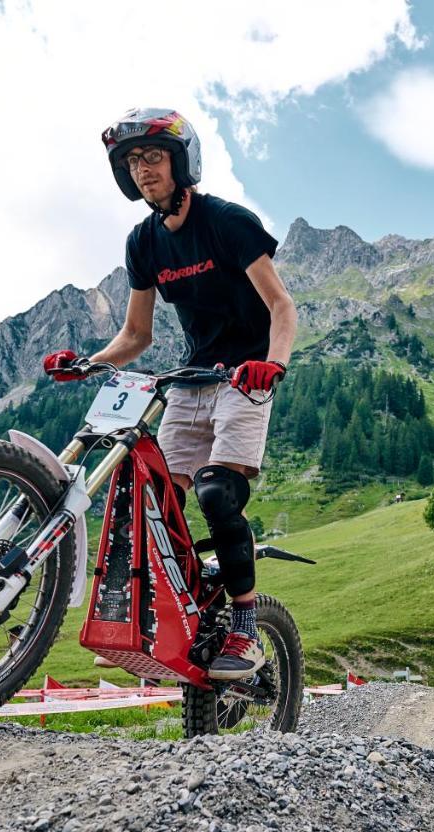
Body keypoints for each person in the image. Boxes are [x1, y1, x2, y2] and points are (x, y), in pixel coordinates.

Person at [43, 107, 297, 680]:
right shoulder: (143, 243)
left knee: (215, 492)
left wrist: (271, 364)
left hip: (243, 379)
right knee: (152, 499)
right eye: (132, 162)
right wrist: (88, 363)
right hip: (191, 379)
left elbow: (282, 306)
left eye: (152, 157)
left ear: (182, 162)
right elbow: (137, 335)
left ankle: (246, 625)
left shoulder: (228, 223)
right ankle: (172, 609)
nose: (142, 170)